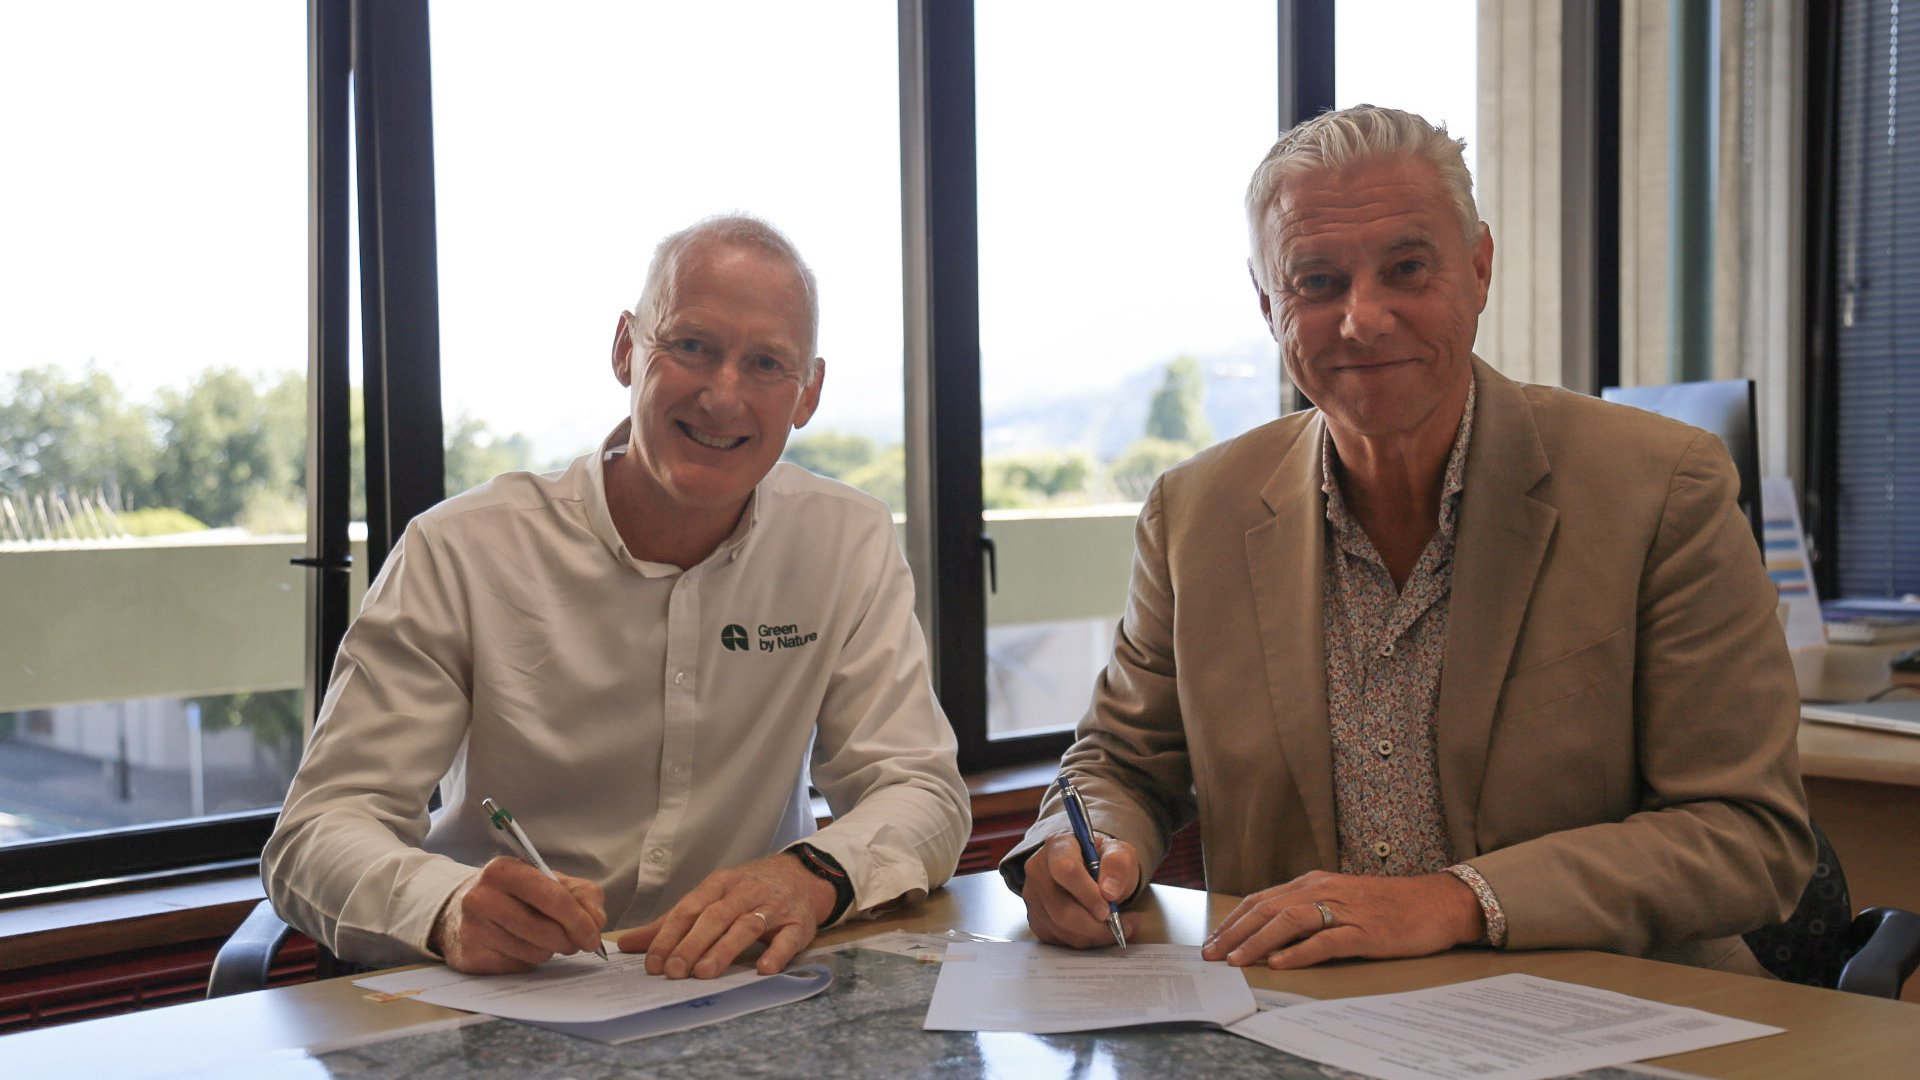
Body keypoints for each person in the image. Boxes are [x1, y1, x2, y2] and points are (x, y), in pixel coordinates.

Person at [1004, 105, 1812, 976]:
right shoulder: (1194, 513)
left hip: (1614, 1013)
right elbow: (1121, 762)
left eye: (1406, 268)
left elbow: (1747, 838)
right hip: (1302, 1025)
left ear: (1479, 267)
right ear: (1266, 301)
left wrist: (1454, 901)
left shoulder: (1662, 487)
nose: (1364, 319)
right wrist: (1075, 844)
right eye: (1316, 282)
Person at [265, 214, 969, 979]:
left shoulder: (846, 539)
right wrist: (445, 907)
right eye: (692, 345)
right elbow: (318, 831)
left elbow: (920, 789)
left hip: (738, 988)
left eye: (767, 363)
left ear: (808, 394)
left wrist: (813, 875)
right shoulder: (462, 549)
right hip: (507, 993)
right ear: (627, 349)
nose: (723, 395)